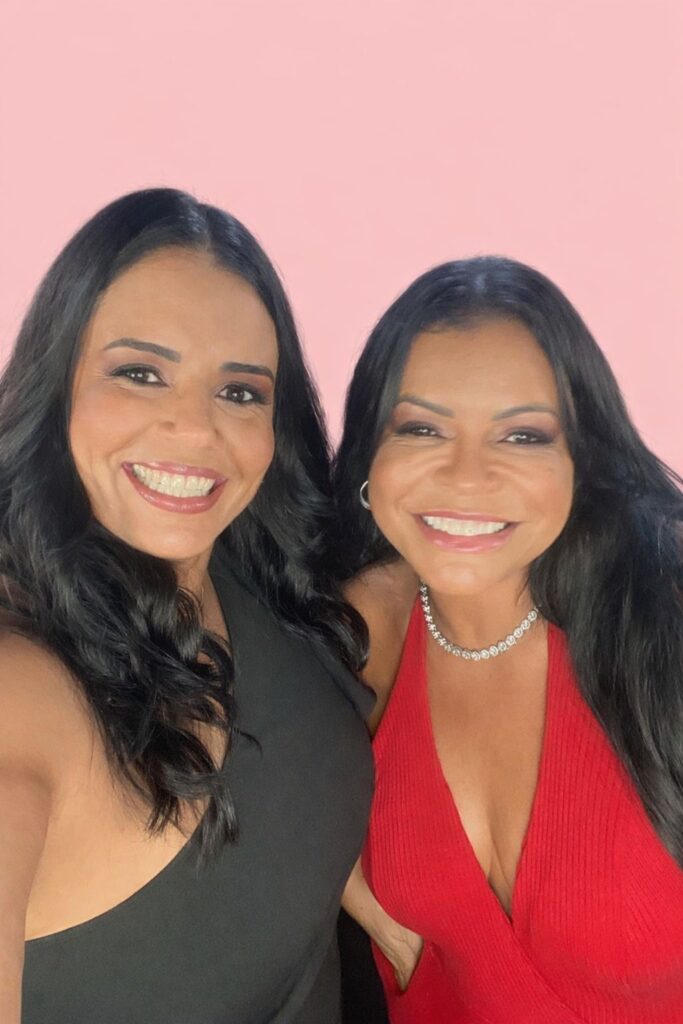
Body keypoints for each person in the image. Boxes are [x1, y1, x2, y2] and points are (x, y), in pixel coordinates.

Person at [0, 188, 374, 1024]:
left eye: (239, 392)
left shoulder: (259, 566)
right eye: (140, 374)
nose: (195, 430)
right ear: (57, 384)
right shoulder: (19, 687)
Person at [333, 256, 683, 1023]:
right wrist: (370, 907)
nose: (467, 477)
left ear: (579, 460)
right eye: (421, 428)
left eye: (522, 435)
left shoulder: (663, 619)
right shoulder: (364, 635)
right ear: (370, 457)